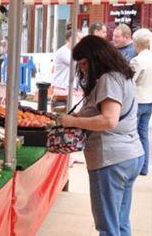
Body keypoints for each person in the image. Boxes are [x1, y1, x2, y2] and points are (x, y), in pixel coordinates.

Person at [59, 35, 143, 236]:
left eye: (85, 63)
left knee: (108, 226)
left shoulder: (108, 79)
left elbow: (109, 120)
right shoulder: (123, 76)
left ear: (97, 58)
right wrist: (83, 116)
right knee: (120, 221)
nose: (84, 69)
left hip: (111, 160)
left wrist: (73, 121)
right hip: (130, 155)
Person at [130, 28, 152, 176]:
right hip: (150, 100)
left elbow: (129, 81)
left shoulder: (137, 60)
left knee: (132, 135)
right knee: (143, 135)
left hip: (138, 101)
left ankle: (134, 167)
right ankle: (144, 167)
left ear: (136, 43)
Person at [51, 29, 81, 93]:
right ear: (70, 39)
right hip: (62, 87)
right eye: (79, 38)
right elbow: (77, 64)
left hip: (70, 87)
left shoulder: (73, 51)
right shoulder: (63, 51)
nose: (80, 41)